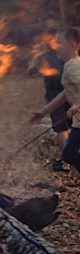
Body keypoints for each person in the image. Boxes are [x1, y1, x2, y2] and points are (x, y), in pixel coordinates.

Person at [31, 27, 80, 173]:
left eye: (58, 42)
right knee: (69, 153)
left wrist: (77, 104)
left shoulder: (74, 66)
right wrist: (44, 111)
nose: (54, 46)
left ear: (71, 45)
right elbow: (65, 93)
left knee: (69, 153)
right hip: (78, 122)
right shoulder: (71, 64)